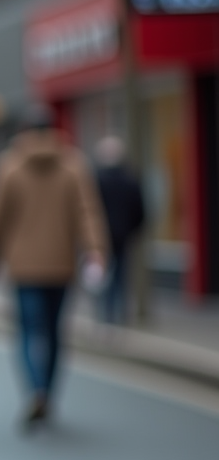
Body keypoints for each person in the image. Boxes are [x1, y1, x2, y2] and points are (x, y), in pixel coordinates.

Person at [0, 106, 106, 430]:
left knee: (27, 331)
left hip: (22, 267)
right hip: (61, 265)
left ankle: (35, 390)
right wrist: (95, 251)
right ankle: (48, 392)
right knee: (54, 332)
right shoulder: (73, 163)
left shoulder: (8, 165)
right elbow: (87, 211)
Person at [93, 136, 146, 325]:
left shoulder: (95, 180)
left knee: (101, 277)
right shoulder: (130, 180)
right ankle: (119, 314)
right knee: (121, 277)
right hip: (123, 237)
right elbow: (140, 212)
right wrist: (131, 231)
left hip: (100, 238)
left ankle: (105, 316)